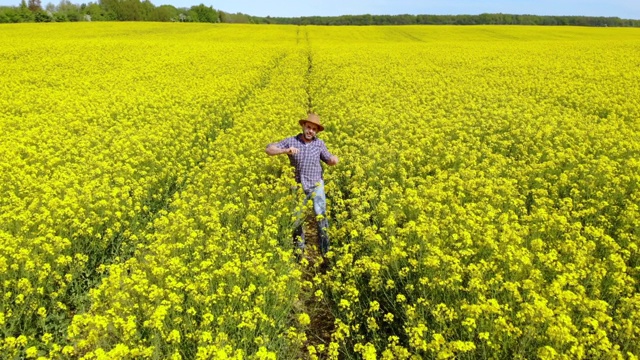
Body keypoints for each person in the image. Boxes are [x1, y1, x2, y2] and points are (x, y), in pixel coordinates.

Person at [265, 113, 339, 260]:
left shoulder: (319, 144)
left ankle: (325, 252)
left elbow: (328, 159)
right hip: (297, 186)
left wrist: (333, 160)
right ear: (303, 126)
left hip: (316, 184)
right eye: (308, 127)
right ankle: (299, 253)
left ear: (316, 131)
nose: (310, 131)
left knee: (321, 217)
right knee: (297, 220)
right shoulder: (292, 141)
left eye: (314, 129)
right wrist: (285, 150)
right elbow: (269, 149)